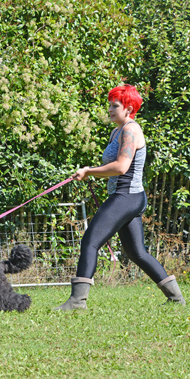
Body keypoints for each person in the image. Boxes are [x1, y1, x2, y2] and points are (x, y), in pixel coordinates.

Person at [55, 84, 186, 310]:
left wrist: (89, 171)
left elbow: (122, 167)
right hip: (128, 197)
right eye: (110, 104)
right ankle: (176, 298)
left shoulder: (130, 130)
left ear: (129, 108)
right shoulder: (118, 130)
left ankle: (77, 301)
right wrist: (92, 173)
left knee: (90, 242)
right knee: (137, 252)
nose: (110, 108)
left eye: (115, 105)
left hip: (126, 196)